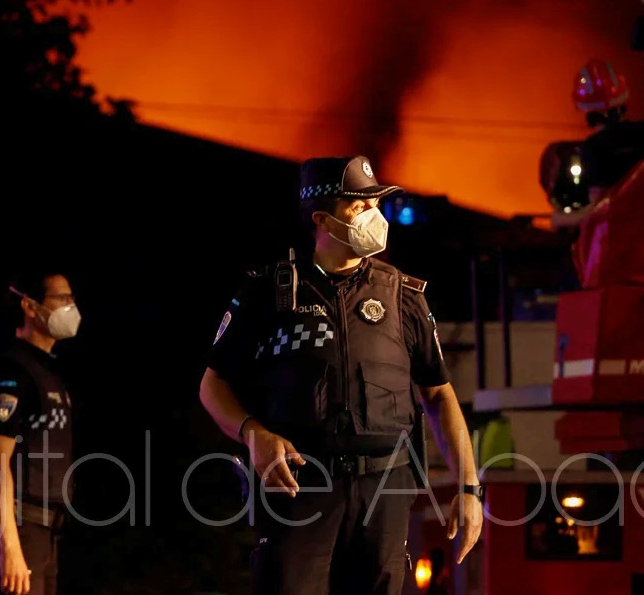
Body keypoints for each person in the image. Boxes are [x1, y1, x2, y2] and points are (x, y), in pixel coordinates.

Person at [198, 155, 484, 595]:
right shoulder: (269, 292)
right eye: (359, 206)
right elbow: (212, 384)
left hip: (384, 490)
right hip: (300, 487)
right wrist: (252, 432)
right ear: (322, 218)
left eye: (376, 205)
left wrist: (468, 488)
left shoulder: (402, 295)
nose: (374, 216)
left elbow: (439, 395)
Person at [0, 268, 82, 595]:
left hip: (47, 532)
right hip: (20, 528)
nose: (70, 306)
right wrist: (11, 547)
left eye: (72, 298)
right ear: (30, 306)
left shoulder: (48, 374)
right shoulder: (11, 372)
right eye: (61, 298)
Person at [551, 59, 644, 229]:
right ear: (622, 104)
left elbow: (599, 210)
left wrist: (559, 219)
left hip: (624, 237)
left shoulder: (594, 147)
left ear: (589, 115)